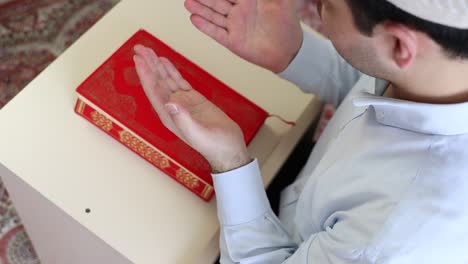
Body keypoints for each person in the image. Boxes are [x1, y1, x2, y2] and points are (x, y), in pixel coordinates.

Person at [133, 0, 468, 262]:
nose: (318, 11)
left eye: (329, 6)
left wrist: (230, 161)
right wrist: (293, 54)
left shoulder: (388, 239)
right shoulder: (441, 70)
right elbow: (373, 81)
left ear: (398, 44)